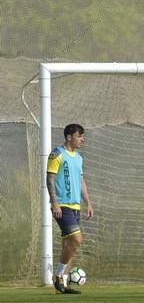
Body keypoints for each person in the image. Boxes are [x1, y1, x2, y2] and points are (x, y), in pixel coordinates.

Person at [46, 123, 94, 294]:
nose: (82, 139)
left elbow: (81, 181)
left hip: (75, 206)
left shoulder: (79, 157)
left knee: (69, 244)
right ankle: (57, 275)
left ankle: (62, 286)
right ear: (69, 137)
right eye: (79, 136)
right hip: (62, 205)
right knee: (77, 239)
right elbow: (50, 179)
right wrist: (55, 202)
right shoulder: (57, 154)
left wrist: (87, 202)